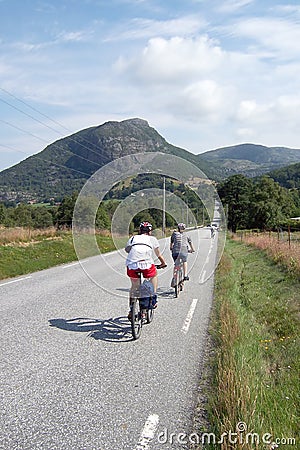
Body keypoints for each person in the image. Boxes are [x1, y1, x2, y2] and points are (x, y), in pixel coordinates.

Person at [125, 221, 166, 319]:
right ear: (150, 231)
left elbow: (127, 250)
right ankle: (153, 298)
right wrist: (163, 263)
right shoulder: (152, 239)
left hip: (132, 264)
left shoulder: (133, 238)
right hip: (147, 264)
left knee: (134, 286)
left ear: (140, 230)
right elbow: (158, 254)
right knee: (154, 275)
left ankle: (131, 309)